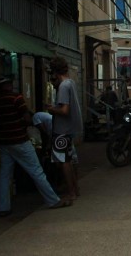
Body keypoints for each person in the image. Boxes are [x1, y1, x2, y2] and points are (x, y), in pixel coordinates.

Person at [0, 77, 68, 216]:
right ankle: (53, 200)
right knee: (36, 171)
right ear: (9, 85)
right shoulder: (16, 98)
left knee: (5, 175)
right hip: (20, 140)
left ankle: (3, 207)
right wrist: (25, 124)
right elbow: (26, 118)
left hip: (5, 142)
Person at [47, 56, 83, 203]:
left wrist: (51, 109)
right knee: (68, 159)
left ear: (55, 72)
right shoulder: (71, 83)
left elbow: (64, 110)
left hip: (62, 129)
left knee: (64, 161)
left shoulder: (63, 86)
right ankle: (75, 189)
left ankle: (71, 192)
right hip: (69, 129)